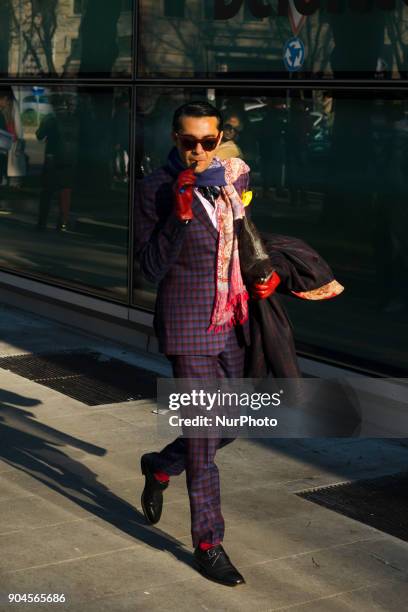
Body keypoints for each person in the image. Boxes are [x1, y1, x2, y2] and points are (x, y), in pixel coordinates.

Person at [134, 101, 280, 586]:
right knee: (202, 439)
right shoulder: (155, 187)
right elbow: (149, 269)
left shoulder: (233, 179)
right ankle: (208, 542)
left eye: (207, 141)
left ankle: (159, 466)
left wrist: (261, 273)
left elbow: (242, 240)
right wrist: (177, 215)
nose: (197, 151)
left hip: (232, 316)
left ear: (220, 138)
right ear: (174, 139)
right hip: (187, 324)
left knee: (233, 422)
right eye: (187, 141)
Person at [36, 94, 80, 231]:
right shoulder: (74, 120)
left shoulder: (51, 119)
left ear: (54, 106)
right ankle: (63, 222)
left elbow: (39, 135)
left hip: (52, 160)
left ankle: (42, 222)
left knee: (47, 192)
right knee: (65, 192)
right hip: (70, 160)